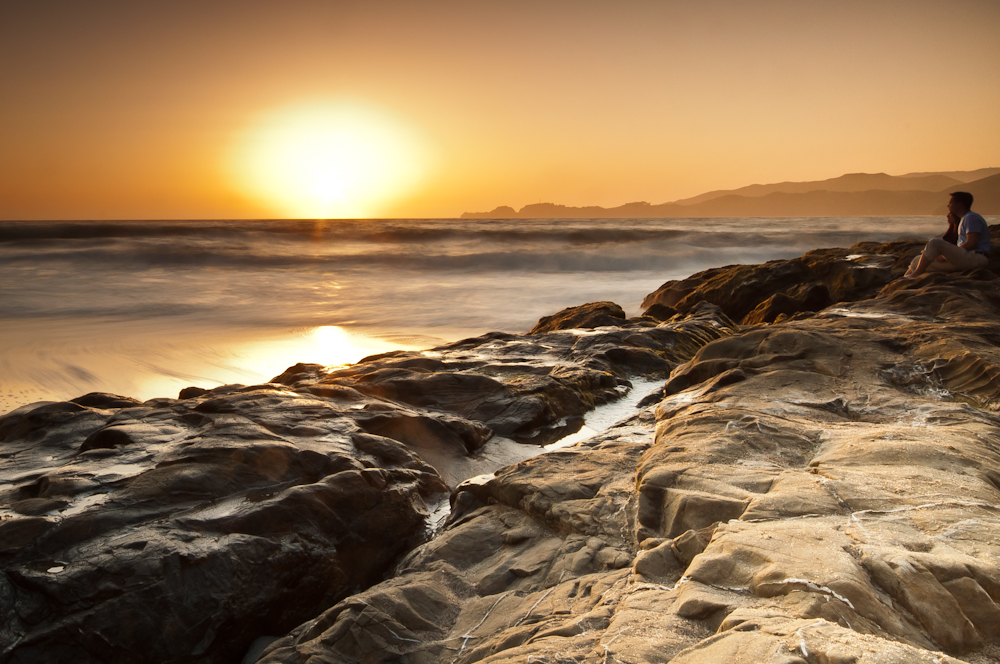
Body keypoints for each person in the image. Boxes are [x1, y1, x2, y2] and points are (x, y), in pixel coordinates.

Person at [904, 191, 990, 277]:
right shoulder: (965, 219)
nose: (948, 206)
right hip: (966, 259)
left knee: (935, 242)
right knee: (917, 260)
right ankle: (905, 280)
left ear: (960, 204)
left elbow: (972, 243)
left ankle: (916, 274)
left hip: (976, 258)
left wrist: (947, 254)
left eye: (950, 203)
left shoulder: (971, 217)